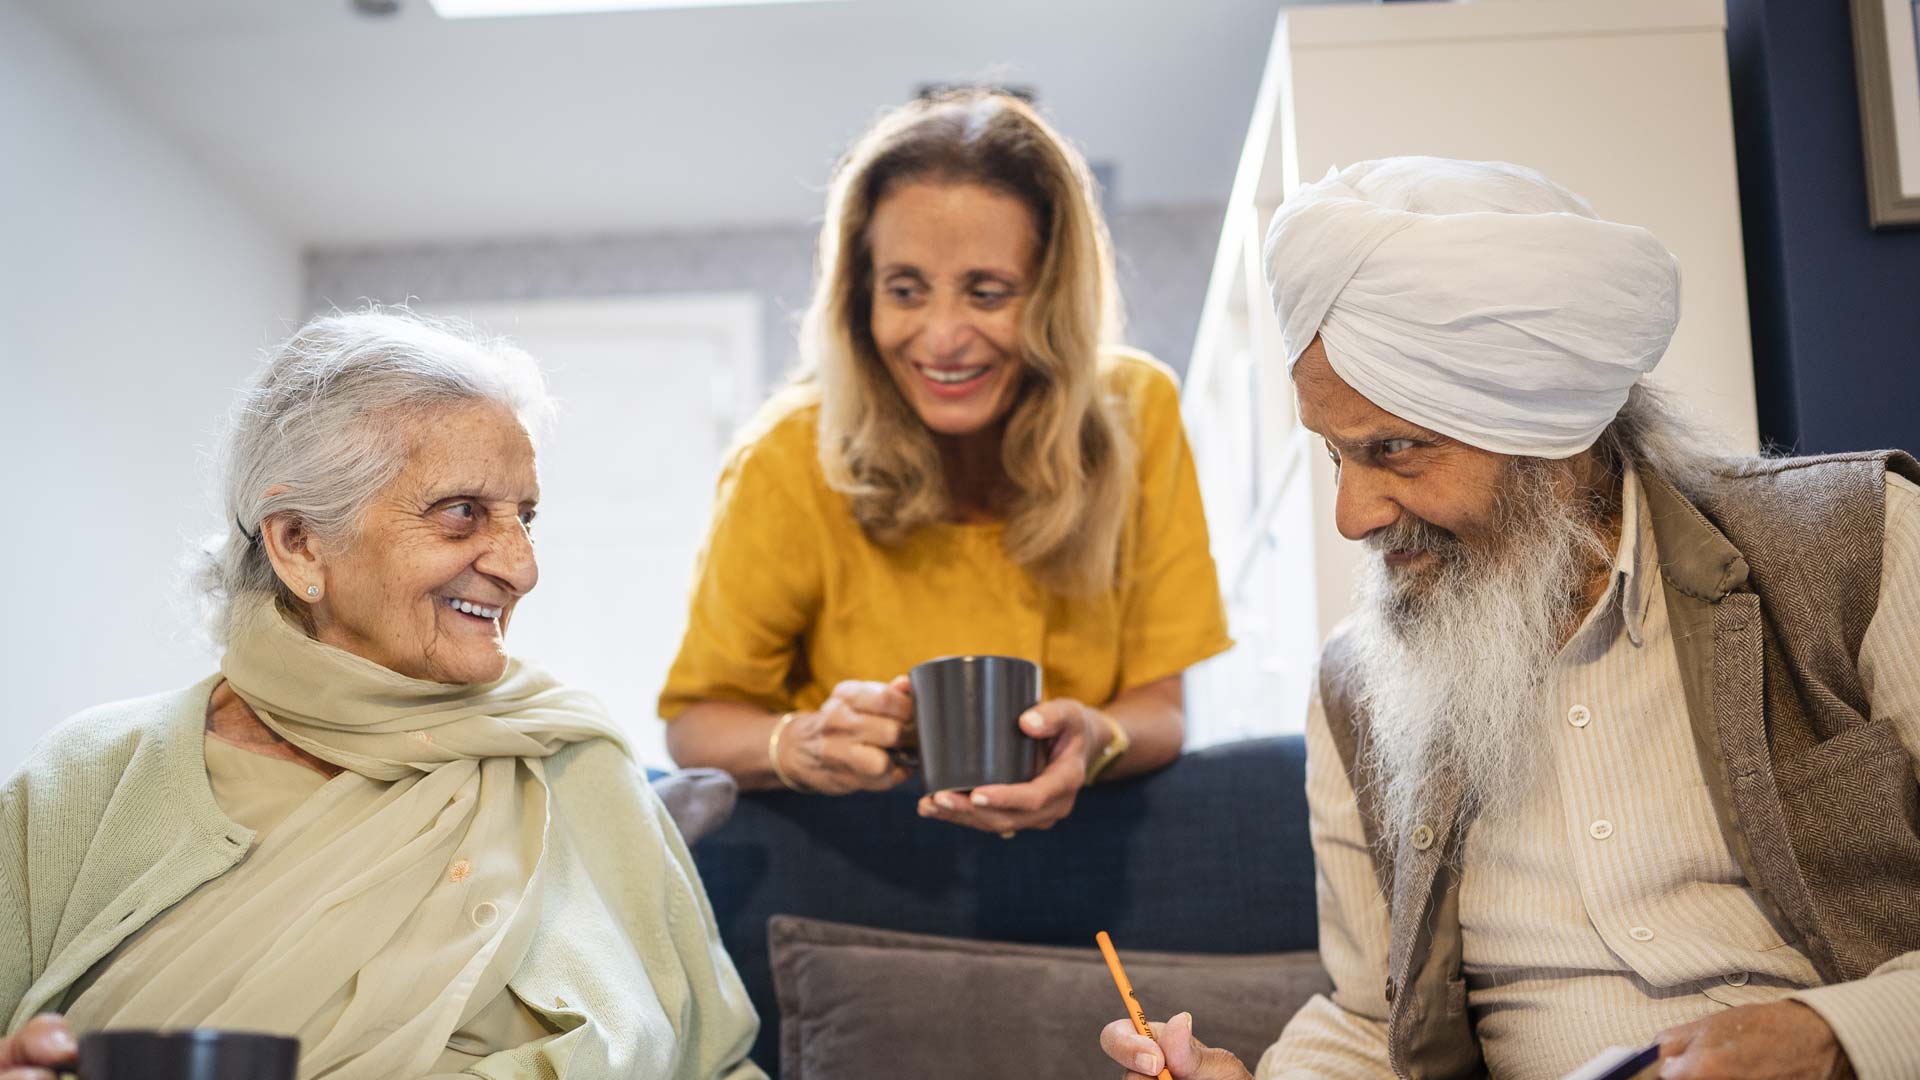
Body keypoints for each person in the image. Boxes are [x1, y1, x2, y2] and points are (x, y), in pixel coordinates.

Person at [1099, 157, 1920, 1079]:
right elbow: (1375, 1021)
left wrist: (1835, 1038)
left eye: (1396, 451)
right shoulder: (1355, 684)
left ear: (1547, 434)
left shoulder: (1858, 545)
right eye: (1336, 457)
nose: (1352, 515)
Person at [0, 311, 763, 1080]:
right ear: (298, 540)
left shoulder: (569, 758)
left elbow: (720, 1064)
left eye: (524, 517)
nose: (522, 568)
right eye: (462, 512)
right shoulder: (88, 777)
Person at [659, 91, 1231, 836]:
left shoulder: (1137, 409)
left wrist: (1093, 738)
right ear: (862, 296)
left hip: (1088, 842)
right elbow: (695, 725)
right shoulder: (787, 455)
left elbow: (1159, 709)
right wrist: (795, 743)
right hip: (855, 858)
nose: (942, 337)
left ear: (1054, 296)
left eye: (987, 293)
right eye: (906, 291)